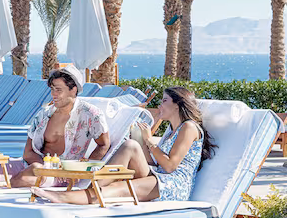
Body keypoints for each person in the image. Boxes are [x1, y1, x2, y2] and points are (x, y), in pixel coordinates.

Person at [31, 86, 215, 205]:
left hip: (173, 185)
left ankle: (64, 197)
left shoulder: (189, 127)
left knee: (114, 190)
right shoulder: (172, 129)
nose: (160, 105)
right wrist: (141, 140)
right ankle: (92, 186)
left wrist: (150, 140)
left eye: (164, 101)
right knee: (131, 145)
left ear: (177, 104)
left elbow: (170, 166)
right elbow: (154, 160)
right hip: (160, 176)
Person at [6, 67, 111, 188]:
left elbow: (104, 144)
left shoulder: (91, 114)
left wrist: (83, 169)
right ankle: (9, 182)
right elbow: (28, 153)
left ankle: (10, 183)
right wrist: (47, 168)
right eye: (52, 89)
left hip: (61, 176)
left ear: (73, 90)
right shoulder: (44, 114)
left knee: (29, 175)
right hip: (33, 165)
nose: (53, 94)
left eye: (58, 90)